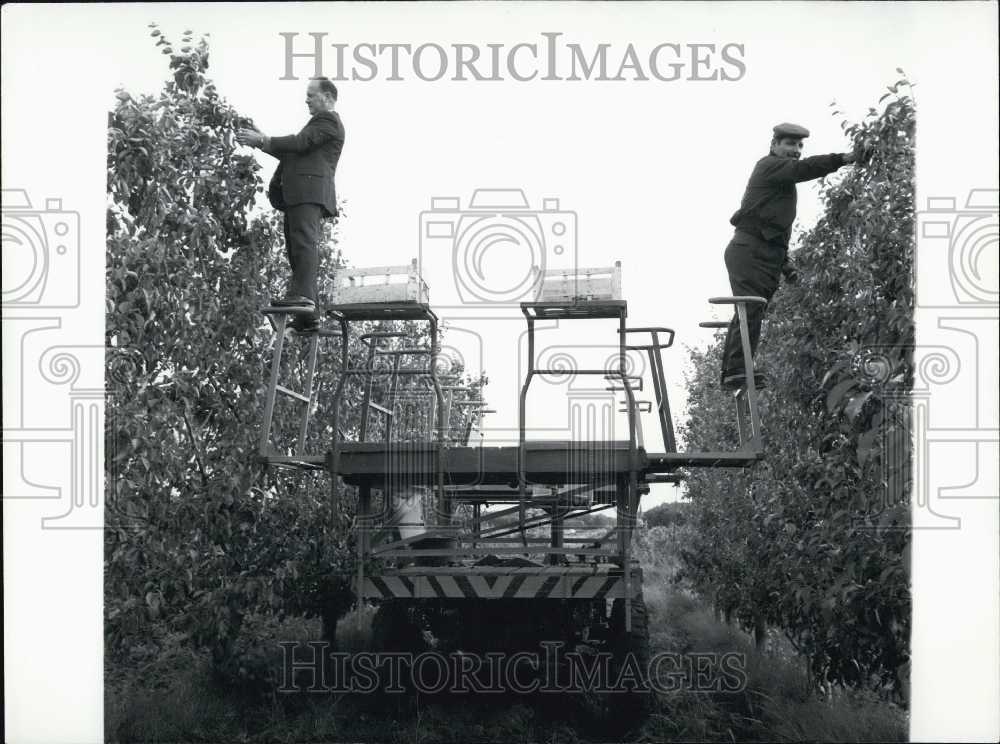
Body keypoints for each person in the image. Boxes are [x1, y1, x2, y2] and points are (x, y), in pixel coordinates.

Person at [720, 122, 866, 389]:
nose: (796, 150)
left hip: (766, 255)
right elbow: (804, 168)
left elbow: (777, 228)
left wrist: (787, 267)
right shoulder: (768, 166)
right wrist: (844, 159)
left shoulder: (784, 187)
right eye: (790, 144)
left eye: (800, 146)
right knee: (749, 308)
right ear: (774, 145)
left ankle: (736, 371)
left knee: (752, 310)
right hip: (748, 251)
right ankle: (737, 371)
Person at [237, 77, 345, 332]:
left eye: (311, 94)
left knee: (304, 244)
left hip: (309, 192)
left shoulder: (328, 121)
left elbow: (297, 143)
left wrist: (262, 140)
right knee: (297, 248)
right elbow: (294, 150)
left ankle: (304, 299)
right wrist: (262, 139)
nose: (306, 99)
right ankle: (308, 316)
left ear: (328, 98)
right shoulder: (317, 127)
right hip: (299, 194)